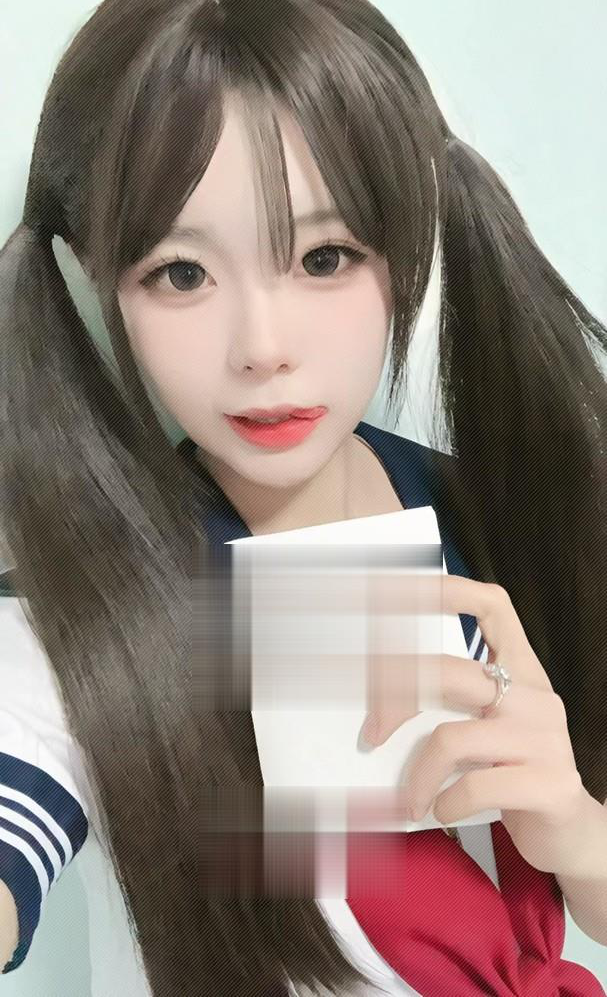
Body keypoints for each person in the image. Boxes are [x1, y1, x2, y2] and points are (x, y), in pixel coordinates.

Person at [0, 0, 606, 994]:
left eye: (324, 258)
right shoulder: (84, 618)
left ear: (404, 247)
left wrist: (577, 831)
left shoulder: (513, 519)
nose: (263, 346)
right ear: (95, 278)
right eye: (180, 273)